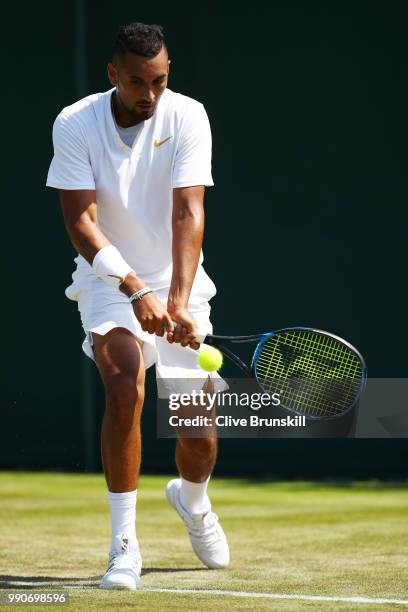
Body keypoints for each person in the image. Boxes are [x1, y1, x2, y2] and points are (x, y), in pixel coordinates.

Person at [46, 22, 229, 590]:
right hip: (108, 279)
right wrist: (135, 289)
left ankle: (192, 501)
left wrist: (174, 299)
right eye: (135, 82)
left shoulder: (188, 115)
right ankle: (124, 547)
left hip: (177, 280)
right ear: (112, 74)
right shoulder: (76, 122)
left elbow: (188, 211)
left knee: (195, 436)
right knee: (124, 383)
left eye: (159, 80)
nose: (148, 93)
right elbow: (81, 221)